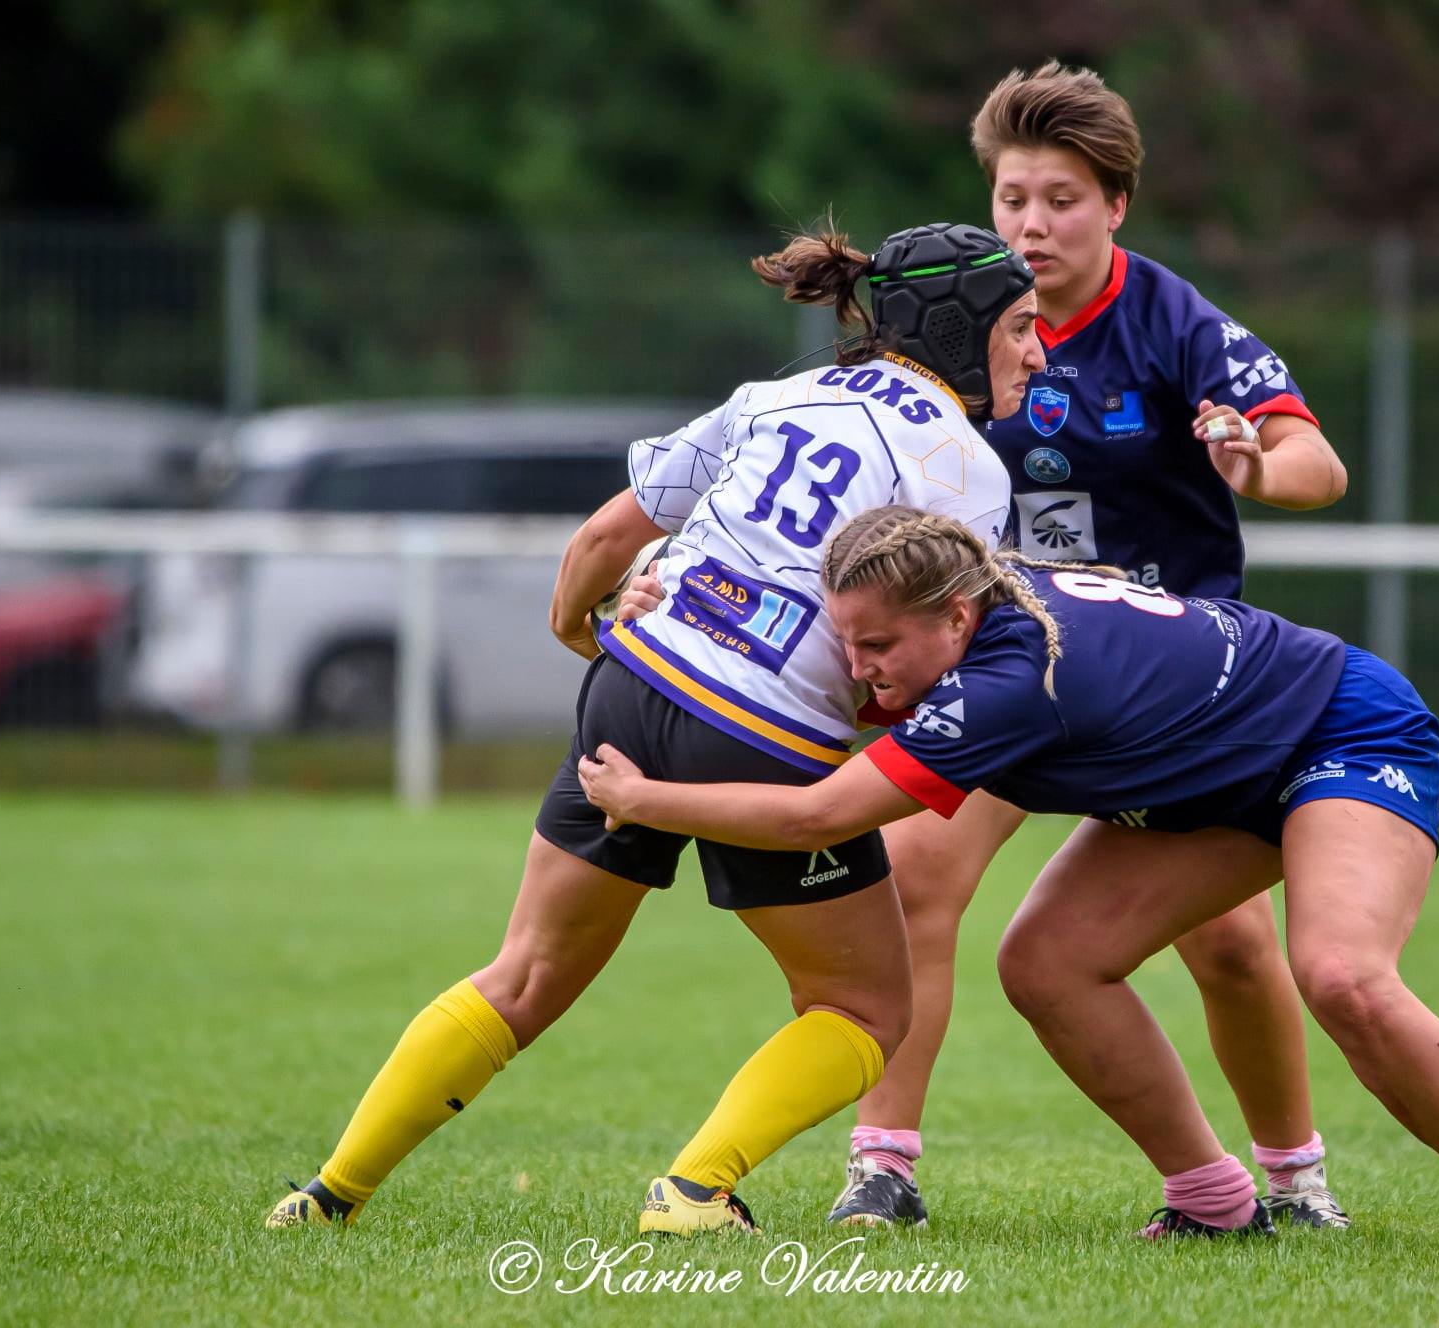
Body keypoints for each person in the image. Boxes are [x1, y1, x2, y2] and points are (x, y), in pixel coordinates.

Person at [265, 222, 1043, 1235]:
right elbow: (922, 658)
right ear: (957, 327)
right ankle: (692, 1192)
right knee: (864, 1010)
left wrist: (577, 630)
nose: (1036, 349)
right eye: (1022, 327)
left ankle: (329, 1194)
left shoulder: (772, 396)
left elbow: (605, 534)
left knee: (526, 972)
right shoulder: (965, 469)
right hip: (764, 734)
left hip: (632, 687)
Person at [577, 506, 1439, 1257]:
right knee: (1049, 961)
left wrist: (647, 795)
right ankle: (1211, 1199)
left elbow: (821, 814)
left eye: (877, 646)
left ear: (956, 617)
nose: (857, 663)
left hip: (1337, 729)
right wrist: (656, 606)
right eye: (849, 639)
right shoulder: (949, 619)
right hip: (1214, 776)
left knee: (1339, 972)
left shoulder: (1007, 684)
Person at [830, 59, 1353, 1230]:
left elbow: (1318, 464)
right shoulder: (959, 324)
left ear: (1114, 204)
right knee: (914, 870)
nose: (1029, 225)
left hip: (1167, 685)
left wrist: (1255, 459)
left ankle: (1294, 1180)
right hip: (1009, 661)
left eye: (1059, 199)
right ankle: (884, 1165)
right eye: (1012, 196)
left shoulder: (1170, 319)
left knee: (1224, 944)